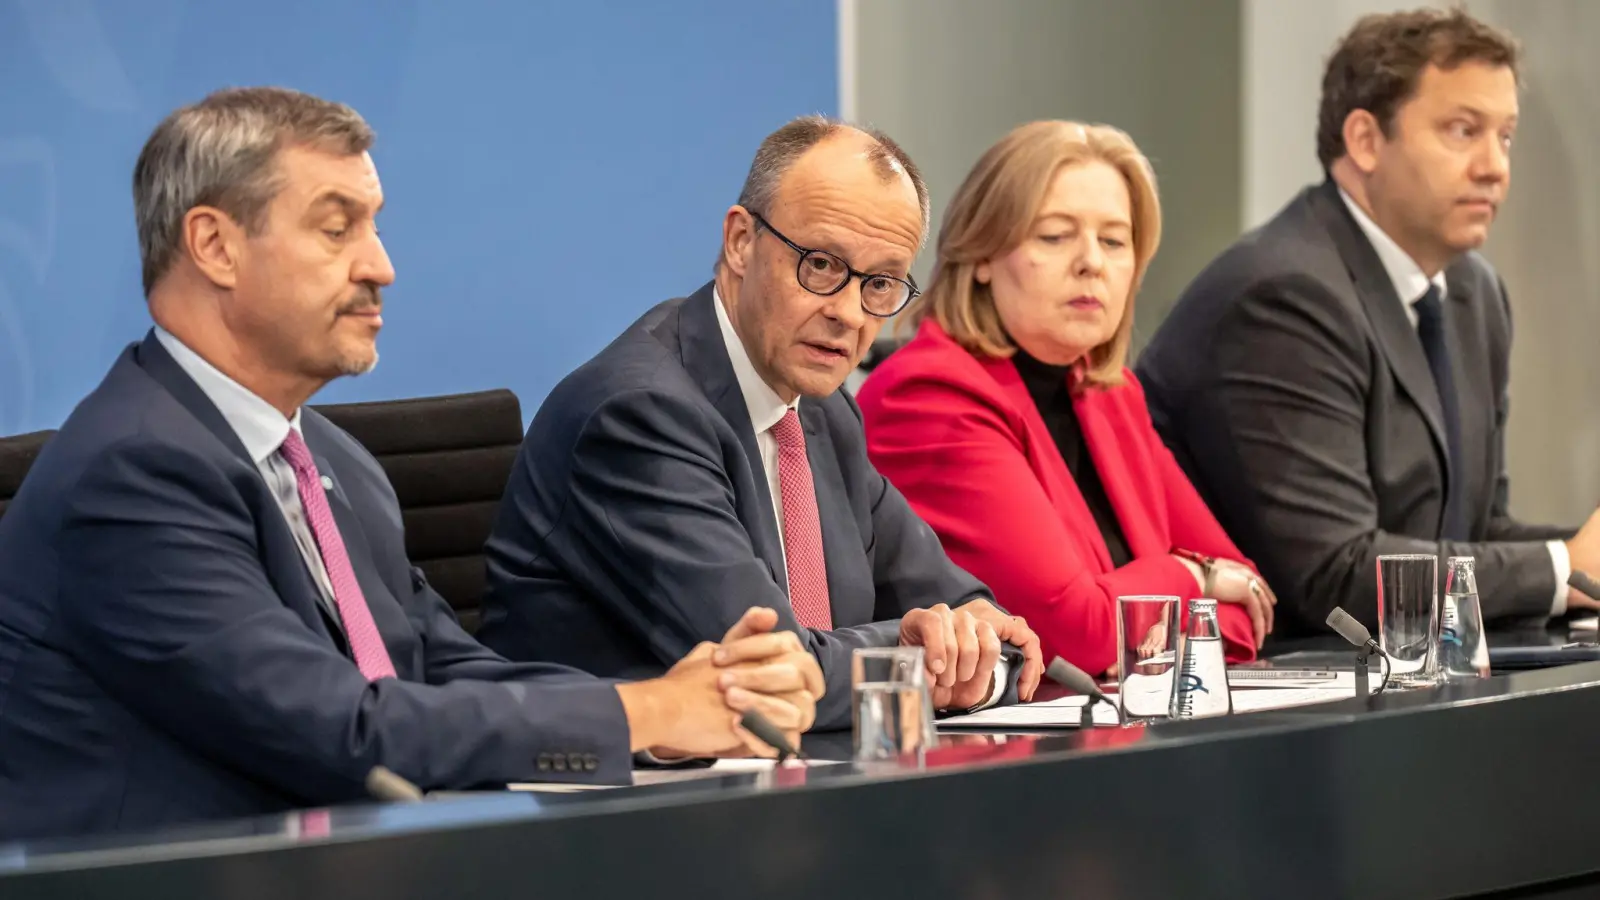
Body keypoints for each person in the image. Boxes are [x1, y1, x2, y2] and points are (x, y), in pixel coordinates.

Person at [0, 88, 823, 841]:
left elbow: (437, 668)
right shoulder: (133, 475)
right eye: (337, 229)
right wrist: (643, 713)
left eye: (374, 226)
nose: (380, 266)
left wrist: (671, 716)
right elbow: (346, 732)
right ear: (215, 245)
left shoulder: (333, 461)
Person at [479, 117, 1044, 729]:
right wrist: (923, 659)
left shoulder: (823, 410)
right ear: (741, 242)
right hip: (618, 778)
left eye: (880, 284)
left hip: (791, 773)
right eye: (821, 265)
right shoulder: (638, 414)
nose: (850, 314)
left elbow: (967, 613)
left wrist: (972, 648)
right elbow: (772, 676)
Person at [1136, 8, 1595, 638]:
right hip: (1275, 679)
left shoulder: (1474, 292)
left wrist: (1578, 563)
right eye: (1463, 131)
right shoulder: (1282, 295)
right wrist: (1564, 568)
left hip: (1407, 671)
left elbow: (1476, 531)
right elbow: (1334, 575)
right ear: (1365, 141)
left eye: (1506, 136)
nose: (1495, 166)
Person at [856, 121, 1272, 677]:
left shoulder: (1110, 394)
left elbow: (1249, 604)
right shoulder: (928, 396)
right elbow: (1078, 633)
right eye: (1054, 236)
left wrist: (1164, 624)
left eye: (1114, 241)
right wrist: (1196, 577)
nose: (1091, 262)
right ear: (982, 255)